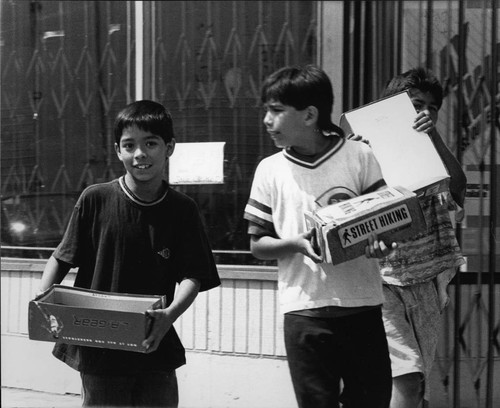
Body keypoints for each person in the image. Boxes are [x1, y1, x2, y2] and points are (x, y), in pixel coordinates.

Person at [37, 100, 220, 407]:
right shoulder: (95, 199)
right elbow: (61, 258)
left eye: (151, 143)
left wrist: (168, 317)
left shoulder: (182, 210)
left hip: (154, 342)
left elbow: (193, 276)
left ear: (169, 147)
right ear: (118, 150)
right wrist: (44, 299)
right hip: (99, 348)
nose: (140, 154)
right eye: (129, 145)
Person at [243, 64, 394, 408]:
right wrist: (296, 243)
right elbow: (258, 245)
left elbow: (384, 227)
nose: (267, 120)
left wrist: (380, 244)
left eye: (277, 111)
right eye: (266, 110)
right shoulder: (270, 169)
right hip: (305, 315)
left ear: (310, 114)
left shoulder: (359, 156)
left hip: (362, 308)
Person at [350, 67, 466, 408]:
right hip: (381, 284)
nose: (425, 113)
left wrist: (434, 139)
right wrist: (355, 157)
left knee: (417, 385)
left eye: (432, 107)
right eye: (417, 104)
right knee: (408, 377)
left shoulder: (431, 156)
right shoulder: (362, 152)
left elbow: (457, 189)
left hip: (426, 283)